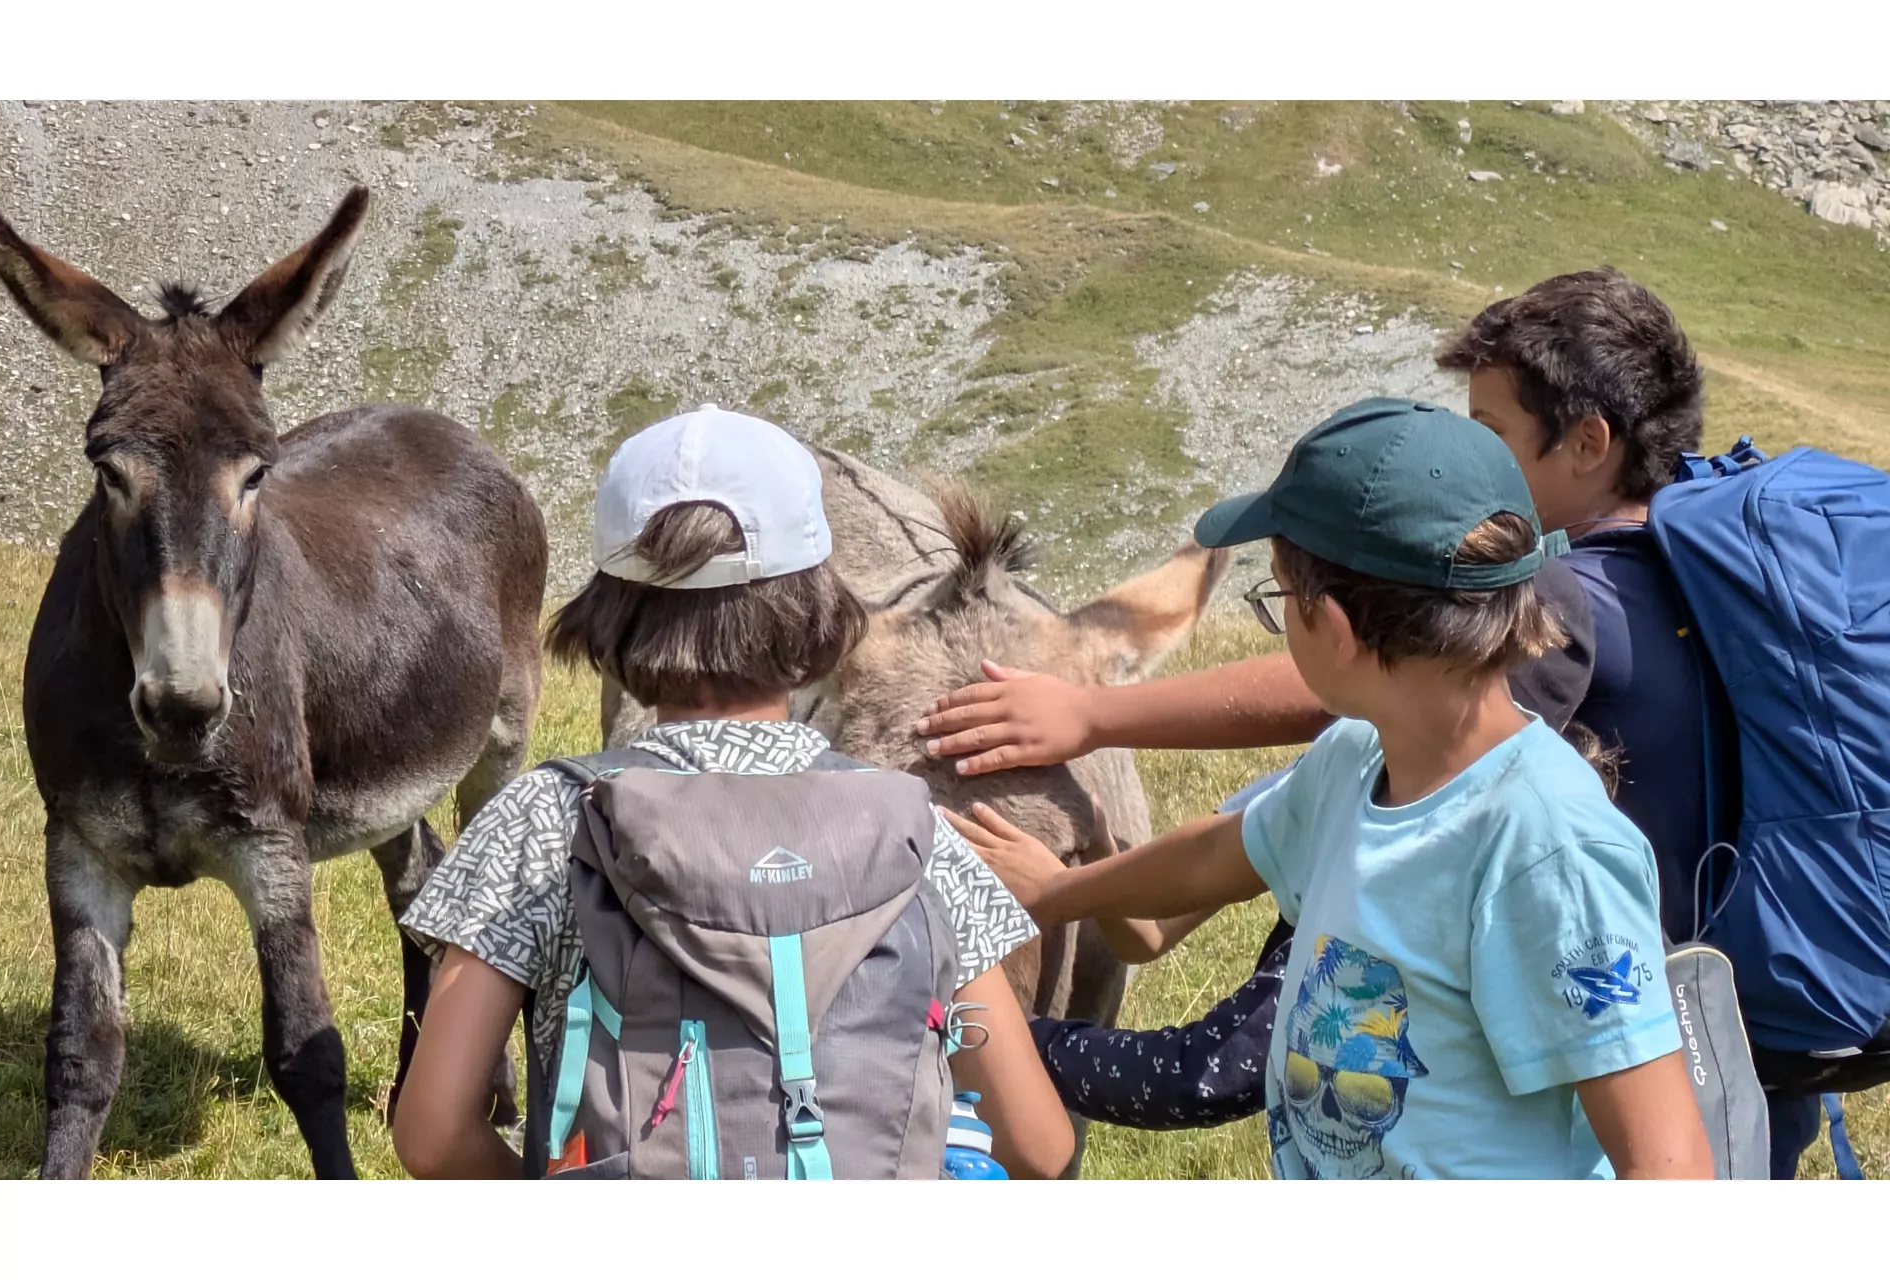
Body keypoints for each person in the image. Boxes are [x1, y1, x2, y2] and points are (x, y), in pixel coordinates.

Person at [921, 269, 1812, 1165]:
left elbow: (1672, 1169)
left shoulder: (1548, 850)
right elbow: (1211, 860)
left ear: (1337, 630)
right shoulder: (1355, 760)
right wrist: (1057, 892)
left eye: (1279, 598)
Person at [390, 405, 1075, 1180]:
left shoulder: (545, 819)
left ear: (610, 613)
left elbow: (434, 1133)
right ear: (819, 605)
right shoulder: (915, 831)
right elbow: (1040, 1145)